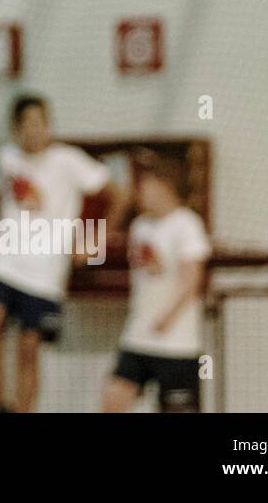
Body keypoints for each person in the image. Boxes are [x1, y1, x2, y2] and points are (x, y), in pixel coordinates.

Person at [0, 95, 127, 412]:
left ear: (49, 125)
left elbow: (119, 195)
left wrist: (94, 240)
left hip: (45, 269)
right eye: (26, 124)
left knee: (29, 346)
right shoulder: (6, 158)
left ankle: (24, 407)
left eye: (39, 123)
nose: (34, 130)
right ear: (15, 129)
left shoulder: (69, 160)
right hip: (5, 260)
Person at [102, 149, 210, 413]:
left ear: (166, 186)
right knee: (114, 399)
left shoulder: (187, 224)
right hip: (138, 335)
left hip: (176, 342)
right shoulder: (140, 226)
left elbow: (192, 278)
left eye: (147, 184)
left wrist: (167, 317)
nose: (141, 191)